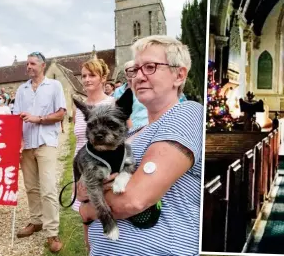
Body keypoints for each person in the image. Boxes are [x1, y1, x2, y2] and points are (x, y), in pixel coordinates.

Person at [77, 35, 204, 255]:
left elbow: (133, 200)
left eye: (150, 67)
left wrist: (89, 209)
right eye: (135, 70)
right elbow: (81, 188)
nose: (139, 76)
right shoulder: (131, 134)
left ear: (179, 74)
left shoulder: (188, 113)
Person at [13, 51, 66, 253]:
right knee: (30, 187)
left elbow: (61, 113)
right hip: (26, 144)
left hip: (45, 142)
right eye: (27, 63)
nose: (28, 67)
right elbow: (14, 117)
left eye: (32, 63)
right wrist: (15, 143)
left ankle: (52, 232)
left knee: (48, 188)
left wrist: (39, 119)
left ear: (43, 65)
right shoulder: (22, 89)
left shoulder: (54, 86)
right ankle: (36, 221)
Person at [72, 58, 114, 252]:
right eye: (84, 76)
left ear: (103, 77)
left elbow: (127, 137)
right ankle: (90, 249)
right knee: (86, 216)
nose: (87, 79)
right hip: (82, 170)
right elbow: (79, 140)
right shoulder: (78, 107)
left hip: (104, 170)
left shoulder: (112, 104)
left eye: (92, 75)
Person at [114, 61, 149, 129]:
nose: (133, 73)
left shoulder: (144, 89)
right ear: (125, 73)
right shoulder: (118, 91)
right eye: (130, 71)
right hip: (125, 130)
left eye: (135, 70)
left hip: (143, 128)